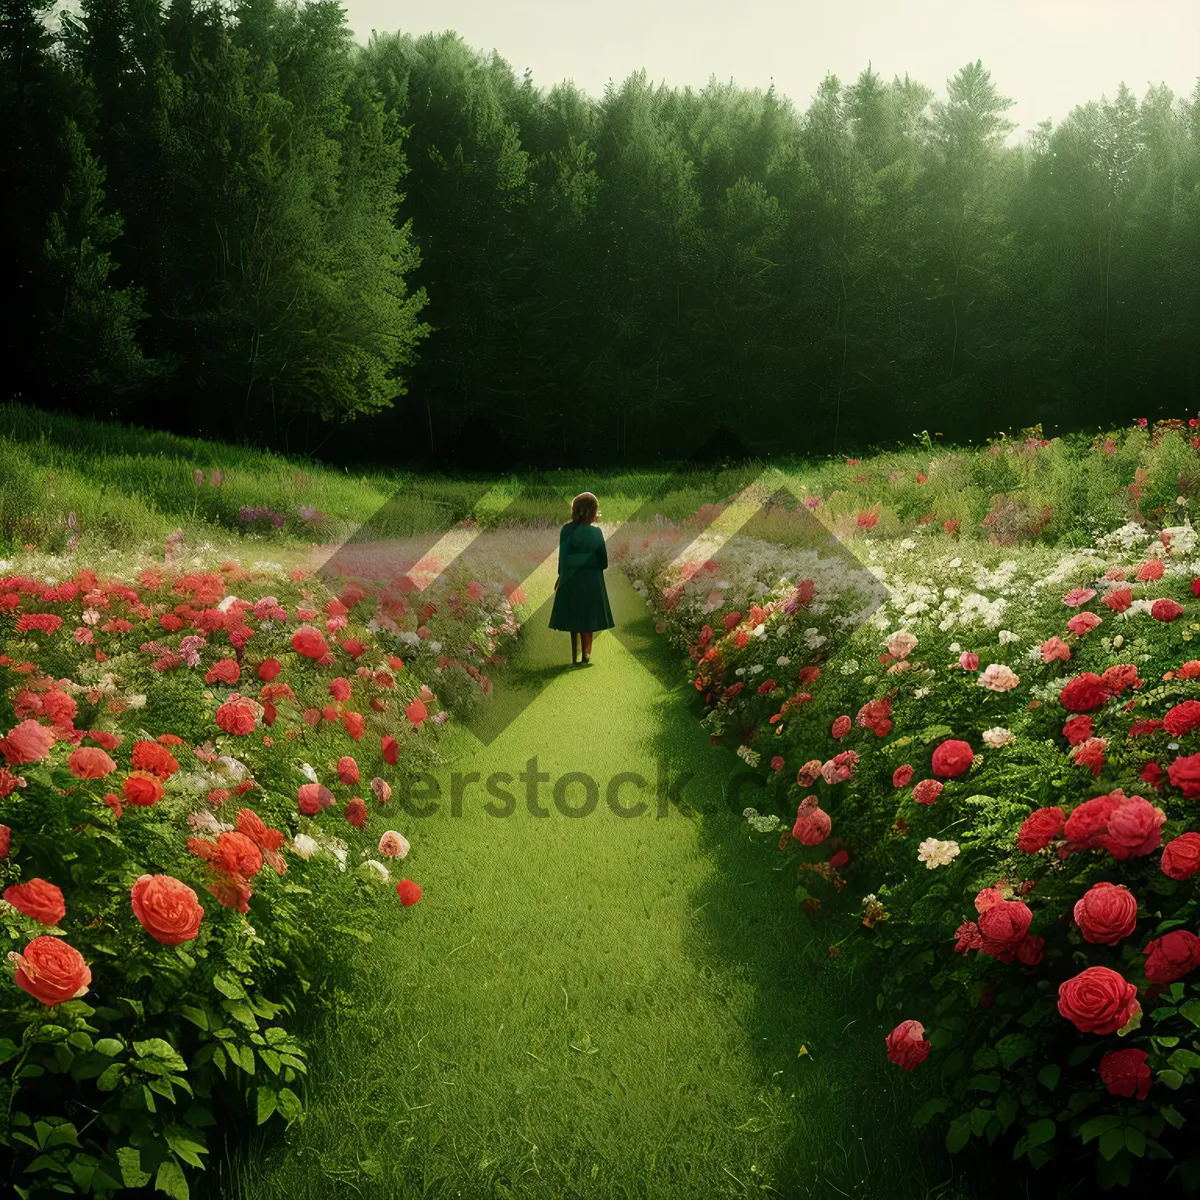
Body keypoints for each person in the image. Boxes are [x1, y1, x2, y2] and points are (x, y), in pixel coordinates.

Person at [549, 492, 615, 665]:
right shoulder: (596, 533)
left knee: (575, 619)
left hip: (571, 580)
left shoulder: (566, 530)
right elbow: (603, 562)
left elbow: (563, 559)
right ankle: (586, 657)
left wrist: (563, 574)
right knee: (588, 621)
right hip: (592, 582)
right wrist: (588, 560)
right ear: (594, 512)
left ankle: (576, 657)